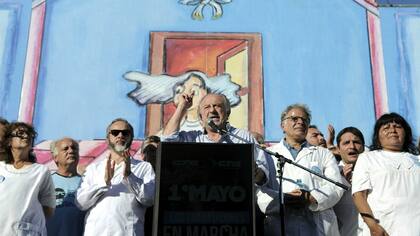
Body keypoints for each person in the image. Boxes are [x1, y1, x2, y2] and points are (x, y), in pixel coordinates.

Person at [256, 104, 344, 236]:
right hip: (281, 224)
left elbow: (336, 186)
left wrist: (311, 197)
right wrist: (281, 200)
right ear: (282, 125)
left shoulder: (323, 153)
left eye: (305, 120)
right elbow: (260, 190)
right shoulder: (268, 154)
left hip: (319, 225)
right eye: (294, 118)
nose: (300, 122)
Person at [161, 93, 269, 185]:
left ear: (227, 113)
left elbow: (263, 177)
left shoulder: (243, 137)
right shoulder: (192, 138)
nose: (212, 110)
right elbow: (167, 140)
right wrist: (182, 107)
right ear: (201, 116)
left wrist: (256, 173)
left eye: (218, 106)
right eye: (207, 107)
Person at [76, 118, 155, 236]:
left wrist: (130, 176)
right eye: (115, 132)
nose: (120, 135)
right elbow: (81, 203)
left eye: (125, 133)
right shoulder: (93, 169)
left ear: (131, 138)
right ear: (108, 139)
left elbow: (149, 200)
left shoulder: (144, 167)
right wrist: (104, 182)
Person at [352, 112, 420, 236]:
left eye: (398, 127)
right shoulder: (367, 158)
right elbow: (359, 195)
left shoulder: (417, 160)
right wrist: (373, 226)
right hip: (383, 230)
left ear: (406, 134)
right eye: (386, 127)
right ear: (377, 137)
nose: (392, 130)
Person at [0, 122, 56, 236]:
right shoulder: (1, 167)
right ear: (9, 141)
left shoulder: (41, 171)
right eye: (20, 133)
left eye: (29, 134)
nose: (26, 136)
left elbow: (49, 209)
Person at [46, 137, 85, 236]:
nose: (71, 151)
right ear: (55, 157)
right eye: (65, 149)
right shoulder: (45, 182)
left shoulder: (87, 183)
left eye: (74, 148)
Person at [333, 127, 365, 236]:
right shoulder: (331, 173)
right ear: (337, 149)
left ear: (364, 147)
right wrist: (341, 181)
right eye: (346, 143)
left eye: (356, 142)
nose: (352, 146)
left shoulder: (375, 172)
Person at [141, 135, 160, 236]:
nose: (153, 154)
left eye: (156, 151)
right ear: (142, 155)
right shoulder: (135, 176)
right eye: (149, 150)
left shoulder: (169, 176)